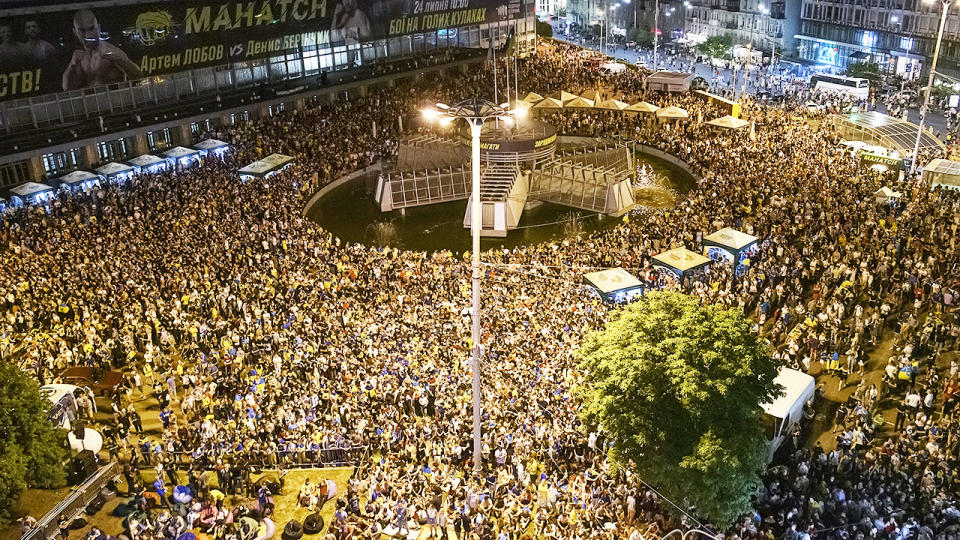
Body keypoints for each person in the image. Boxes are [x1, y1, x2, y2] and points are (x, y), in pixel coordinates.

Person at [62, 9, 141, 91]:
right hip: (93, 102)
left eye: (91, 29)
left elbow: (138, 76)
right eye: (82, 30)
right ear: (75, 32)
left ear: (98, 28)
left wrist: (119, 60)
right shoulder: (80, 57)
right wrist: (72, 65)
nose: (88, 35)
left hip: (116, 101)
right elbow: (67, 88)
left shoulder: (111, 51)